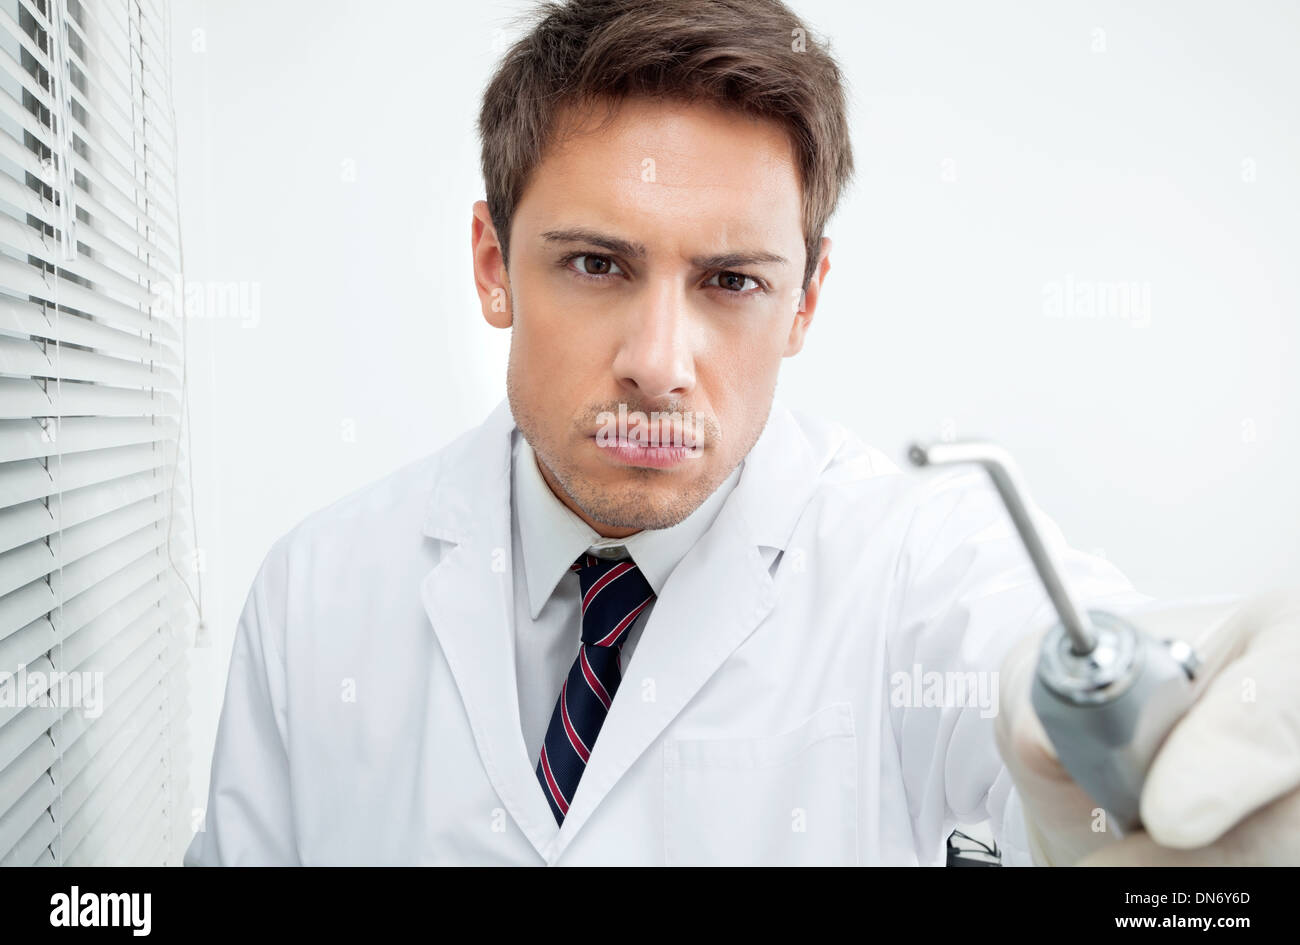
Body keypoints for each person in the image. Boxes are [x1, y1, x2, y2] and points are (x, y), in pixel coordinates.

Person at [184, 0, 1299, 866]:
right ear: (491, 266)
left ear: (805, 300)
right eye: (596, 263)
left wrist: (1114, 722)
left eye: (730, 280)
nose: (659, 361)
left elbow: (1040, 654)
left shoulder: (912, 561)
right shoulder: (316, 592)